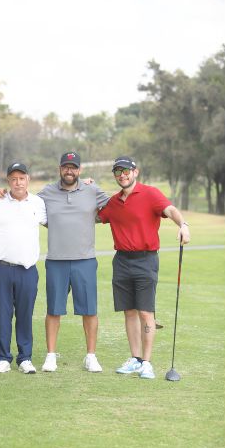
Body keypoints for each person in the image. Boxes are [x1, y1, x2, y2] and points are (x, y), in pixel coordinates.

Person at [97, 156, 191, 379]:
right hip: (121, 260)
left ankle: (147, 363)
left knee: (146, 312)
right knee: (129, 312)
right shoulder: (113, 202)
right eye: (118, 172)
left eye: (126, 171)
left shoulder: (150, 194)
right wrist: (86, 189)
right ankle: (135, 359)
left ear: (135, 172)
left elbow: (170, 210)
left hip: (146, 260)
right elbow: (92, 216)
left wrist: (183, 225)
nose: (122, 175)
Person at [37, 151, 110, 373]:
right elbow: (25, 205)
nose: (70, 171)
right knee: (53, 310)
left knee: (89, 310)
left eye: (74, 167)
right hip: (56, 261)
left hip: (85, 261)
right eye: (66, 166)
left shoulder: (92, 190)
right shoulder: (46, 193)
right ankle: (50, 356)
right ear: (60, 168)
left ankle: (91, 356)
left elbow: (115, 206)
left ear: (80, 170)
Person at [0, 162, 47, 374]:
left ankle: (25, 358)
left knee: (25, 315)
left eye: (21, 178)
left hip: (27, 269)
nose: (18, 182)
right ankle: (3, 357)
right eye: (13, 179)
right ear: (8, 181)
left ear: (28, 180)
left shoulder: (38, 203)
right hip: (1, 269)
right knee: (3, 315)